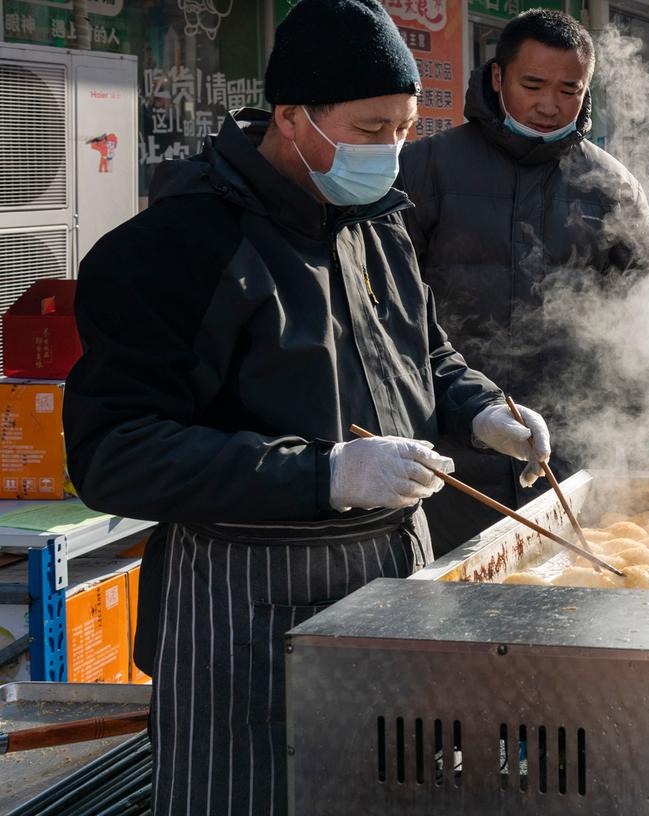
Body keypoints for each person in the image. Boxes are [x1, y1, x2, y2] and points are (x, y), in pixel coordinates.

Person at [61, 0, 554, 811]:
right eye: (369, 129)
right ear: (291, 117)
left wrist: (481, 411)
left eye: (402, 128)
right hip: (244, 604)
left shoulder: (377, 224)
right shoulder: (177, 248)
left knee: (395, 787)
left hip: (396, 569)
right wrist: (321, 473)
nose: (390, 152)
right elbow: (115, 453)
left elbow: (422, 352)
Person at [397, 8, 649, 554]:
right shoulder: (425, 168)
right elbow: (390, 315)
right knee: (456, 607)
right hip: (451, 446)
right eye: (532, 84)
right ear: (498, 77)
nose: (549, 104)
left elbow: (634, 326)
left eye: (570, 89)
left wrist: (632, 432)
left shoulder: (611, 188)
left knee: (571, 603)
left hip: (569, 443)